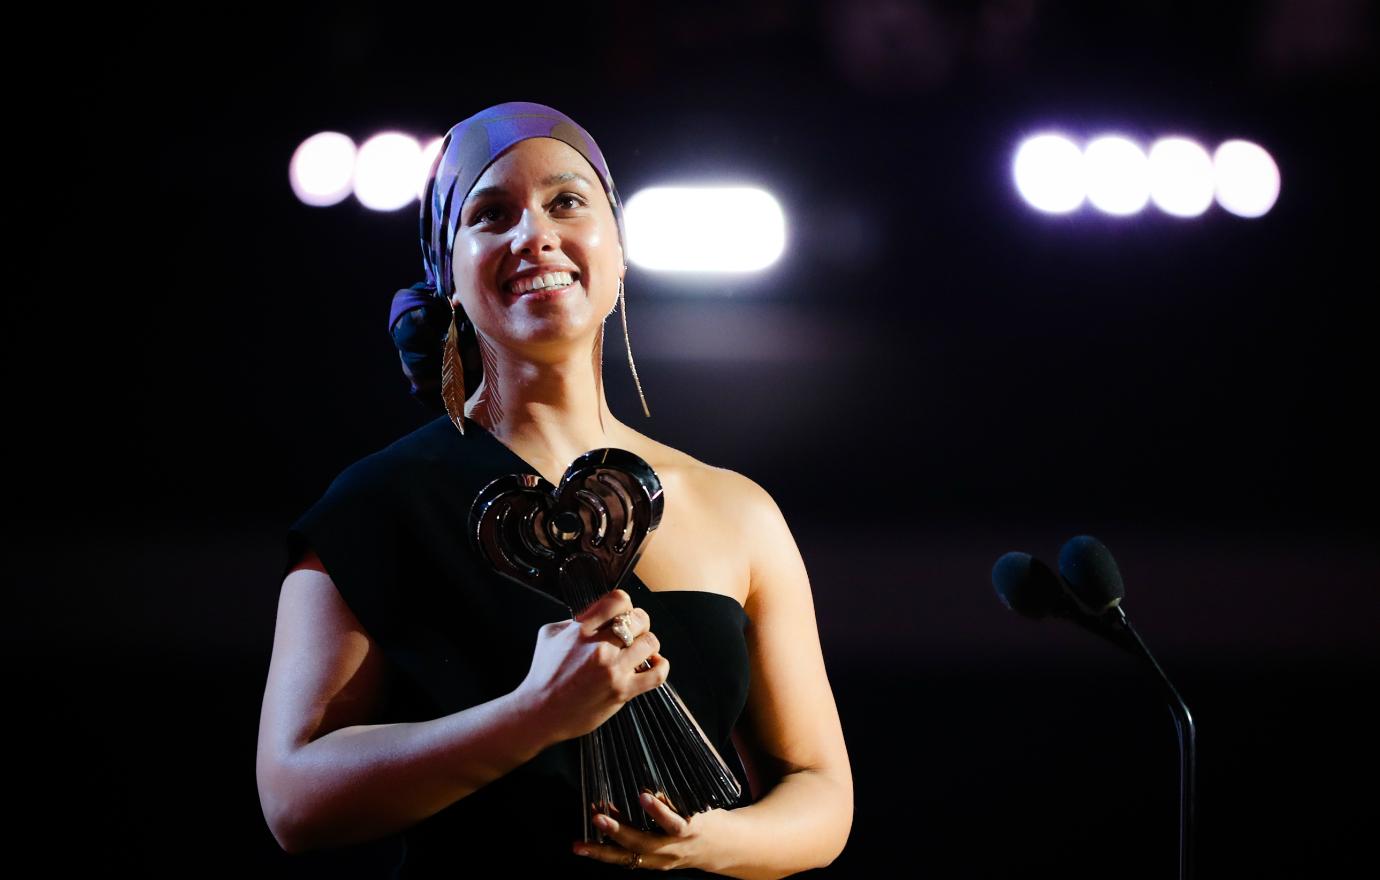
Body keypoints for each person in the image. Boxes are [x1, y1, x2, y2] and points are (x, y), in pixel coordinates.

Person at [256, 101, 853, 877]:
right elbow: (294, 799)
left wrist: (705, 843)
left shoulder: (739, 511)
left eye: (566, 201)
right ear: (449, 273)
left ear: (619, 247)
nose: (533, 234)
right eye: (491, 213)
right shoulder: (377, 505)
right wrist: (532, 715)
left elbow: (820, 790)